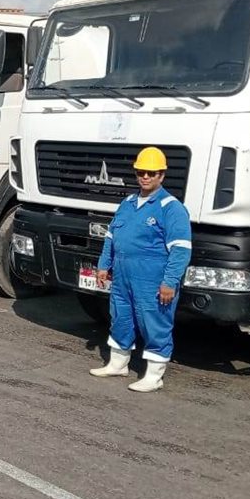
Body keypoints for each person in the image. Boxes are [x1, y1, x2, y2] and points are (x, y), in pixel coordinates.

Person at [90, 146, 192, 393]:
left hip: (152, 280)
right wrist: (103, 265)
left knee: (154, 322)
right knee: (120, 317)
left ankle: (154, 376)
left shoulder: (171, 208)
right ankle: (118, 364)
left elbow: (181, 249)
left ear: (161, 175)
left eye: (151, 173)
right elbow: (111, 237)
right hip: (123, 276)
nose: (145, 177)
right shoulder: (127, 203)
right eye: (141, 172)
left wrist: (170, 282)